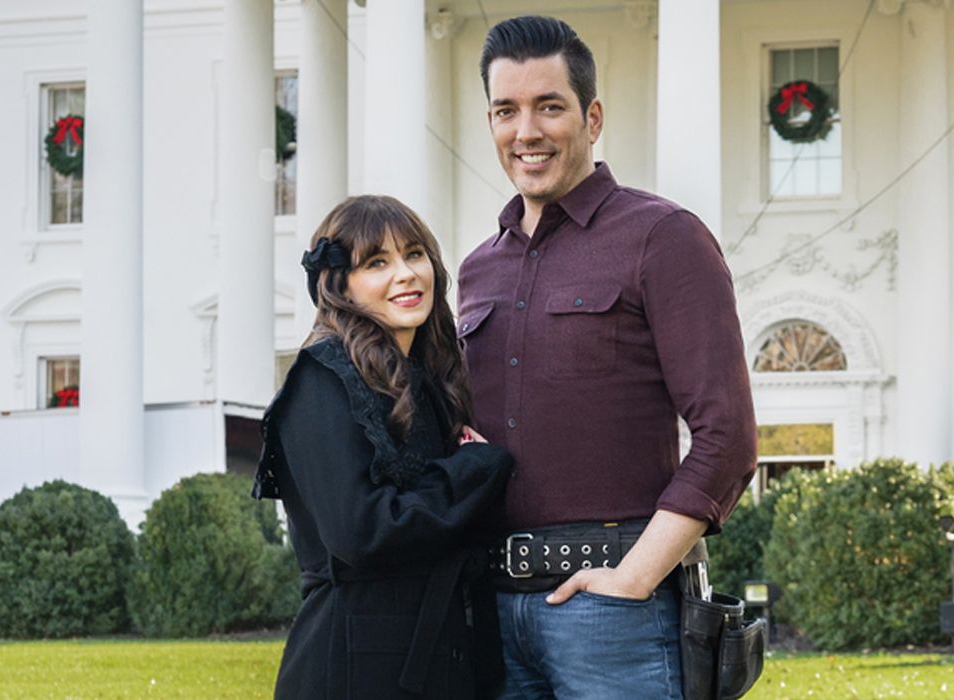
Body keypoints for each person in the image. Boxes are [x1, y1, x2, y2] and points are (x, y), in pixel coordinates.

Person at [457, 15, 758, 699]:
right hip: (493, 618)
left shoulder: (663, 238)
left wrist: (633, 580)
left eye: (549, 106)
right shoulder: (477, 271)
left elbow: (728, 437)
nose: (525, 131)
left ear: (592, 118)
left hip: (615, 616)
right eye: (507, 110)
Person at [255, 195, 514, 699]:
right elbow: (361, 532)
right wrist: (472, 469)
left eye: (414, 255)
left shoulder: (429, 380)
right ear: (340, 284)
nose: (406, 274)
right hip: (353, 665)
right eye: (377, 262)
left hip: (436, 657)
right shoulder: (322, 379)